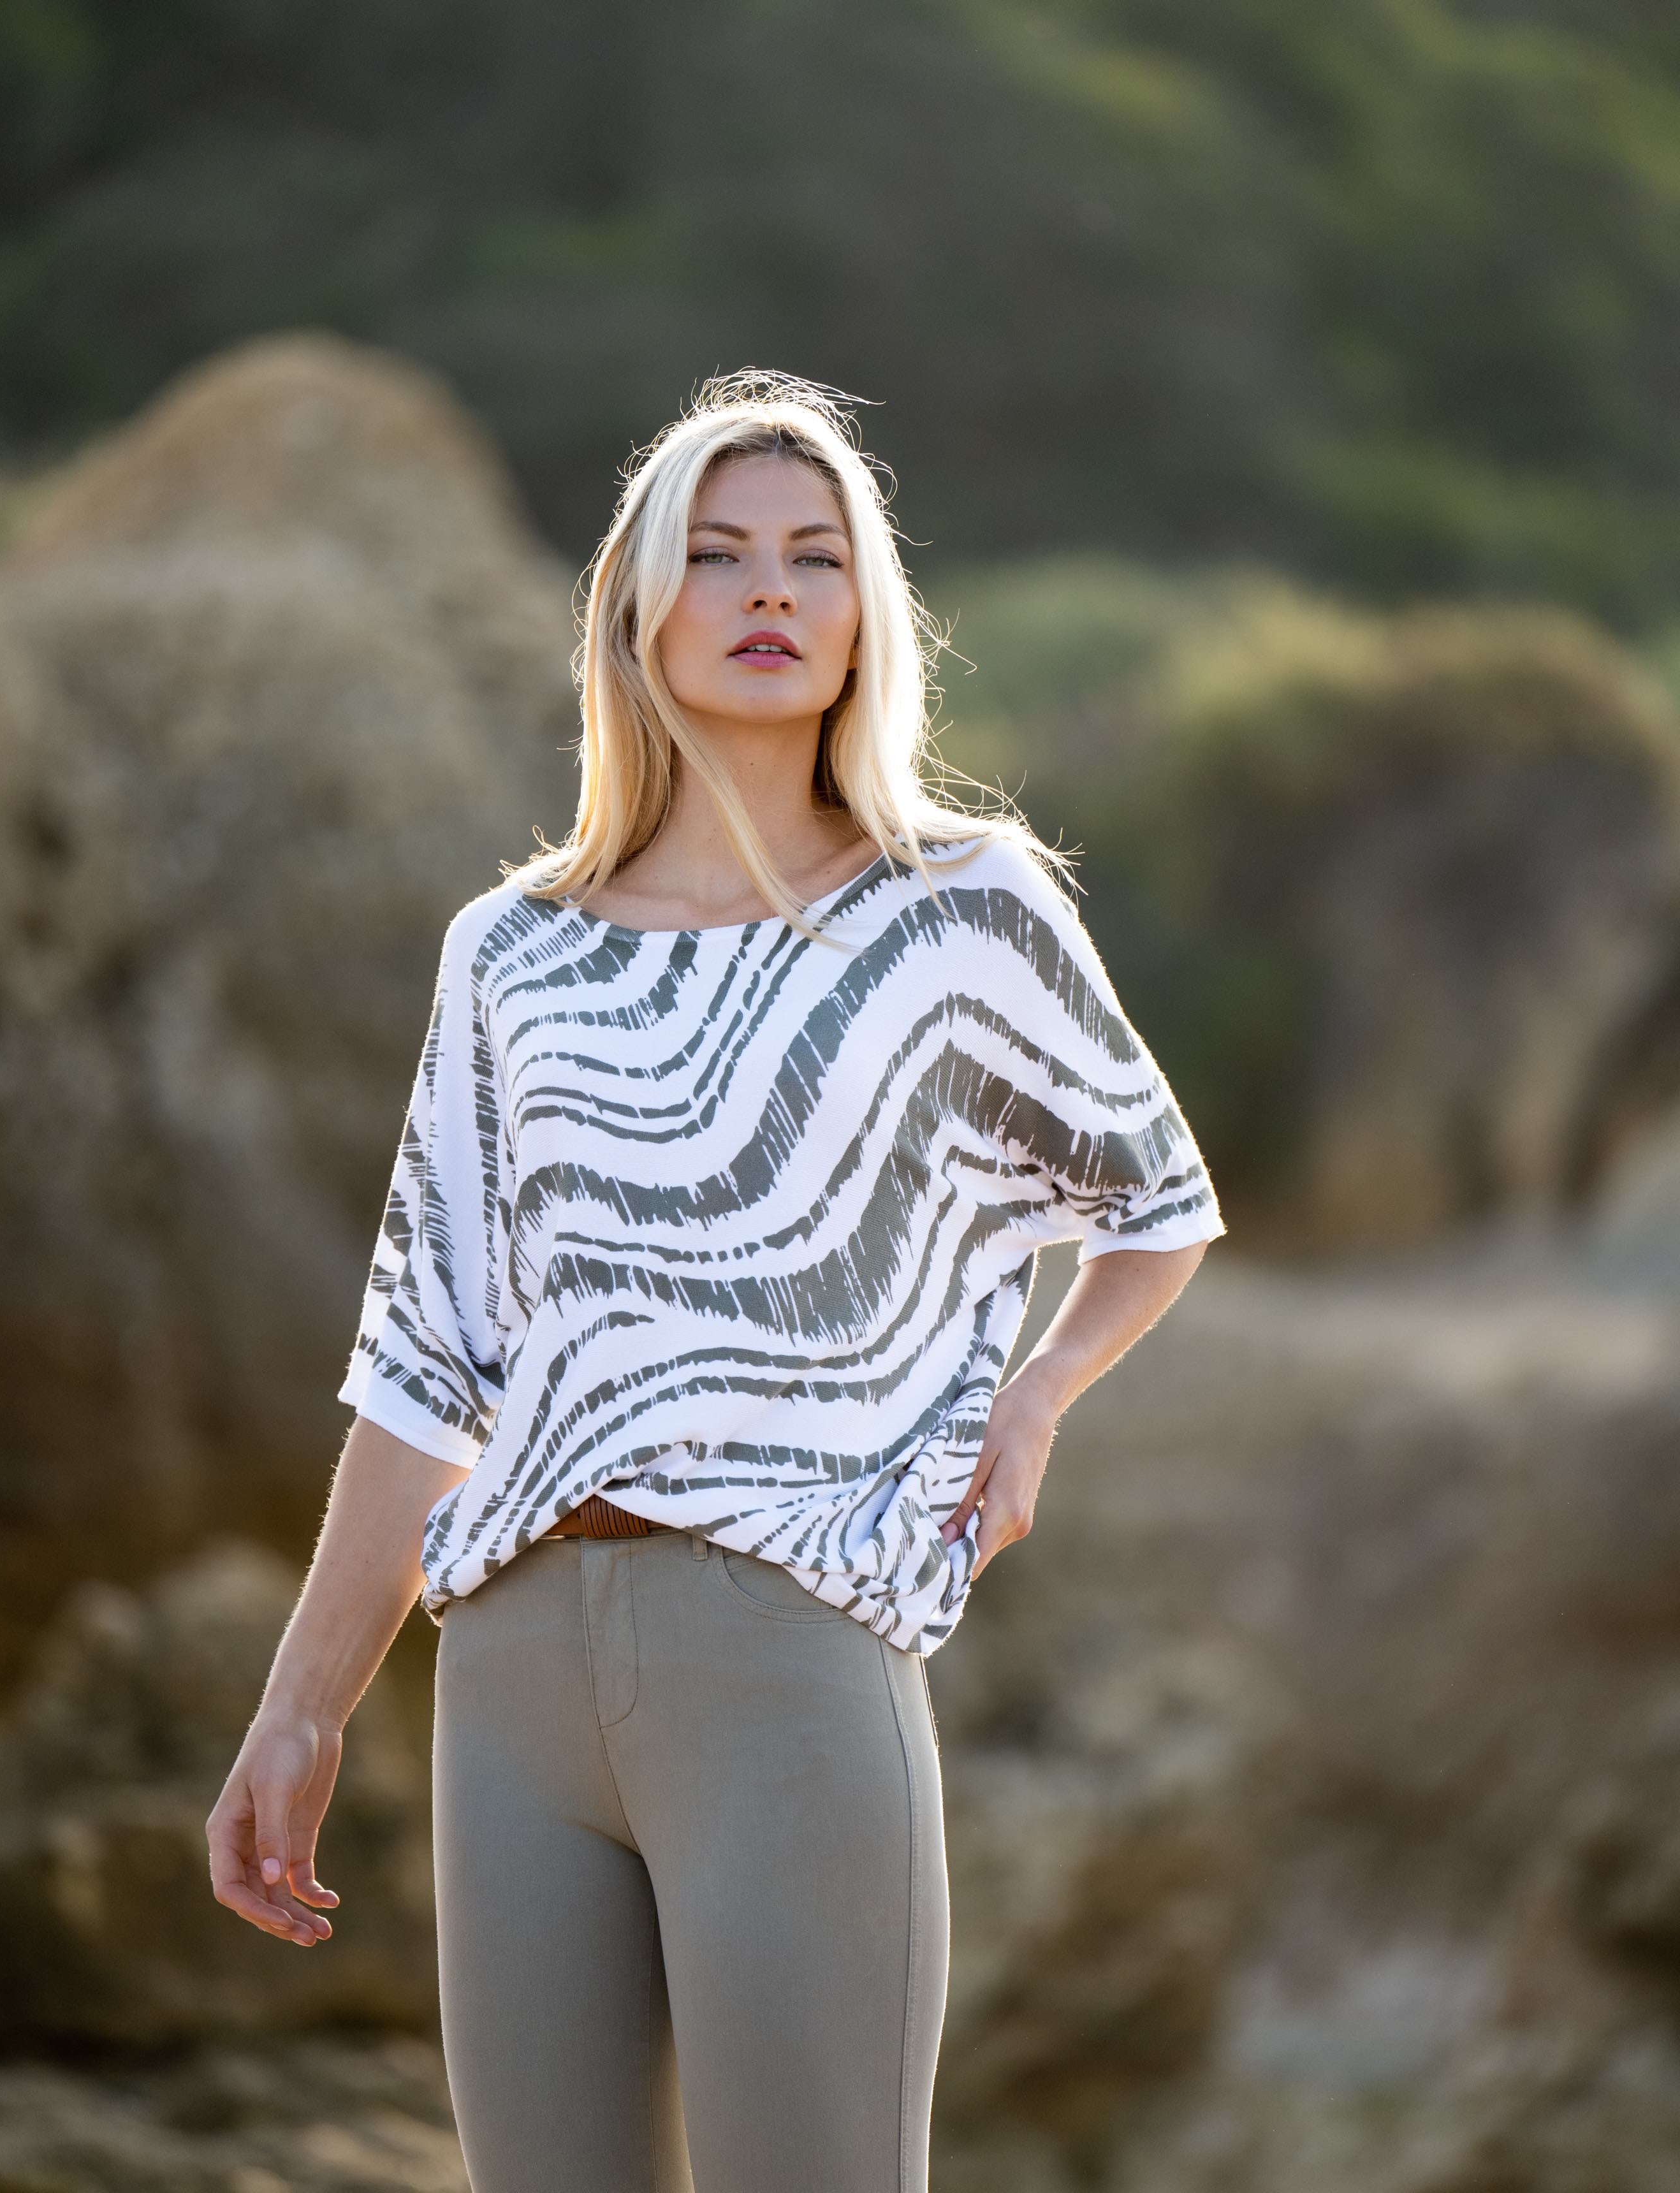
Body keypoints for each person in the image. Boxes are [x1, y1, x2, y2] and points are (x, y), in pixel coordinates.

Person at [207, 370, 1223, 2193]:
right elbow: (428, 1355)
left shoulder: (960, 907)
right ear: (637, 608)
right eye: (721, 552)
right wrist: (302, 1709)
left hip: (790, 1650)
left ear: (866, 614)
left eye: (816, 557)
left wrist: (1039, 1396)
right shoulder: (511, 954)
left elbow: (1155, 1201)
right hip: (512, 1666)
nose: (770, 591)